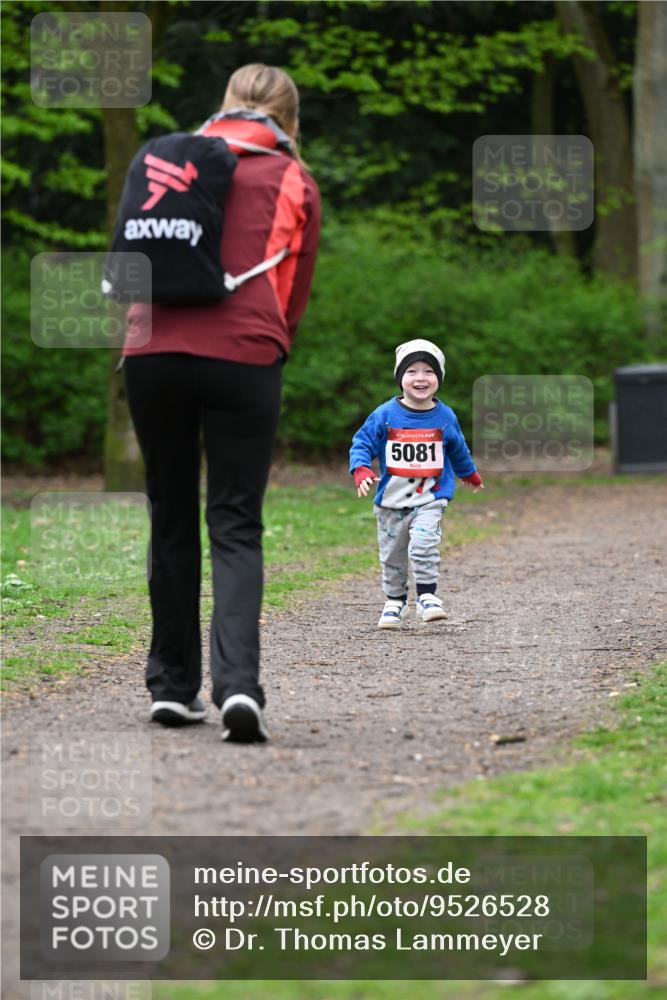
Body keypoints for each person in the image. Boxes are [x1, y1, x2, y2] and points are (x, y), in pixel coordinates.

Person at [122, 64, 321, 741]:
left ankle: (171, 688)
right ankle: (238, 688)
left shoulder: (165, 162)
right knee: (235, 522)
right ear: (290, 121)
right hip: (244, 356)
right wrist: (269, 348)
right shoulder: (292, 177)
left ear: (222, 107)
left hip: (151, 353)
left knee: (169, 514)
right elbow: (292, 292)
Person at [349, 339, 483, 629]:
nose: (420, 378)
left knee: (424, 544)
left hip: (430, 498)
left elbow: (458, 448)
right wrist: (360, 469)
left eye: (428, 372)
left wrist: (469, 473)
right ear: (400, 378)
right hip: (391, 502)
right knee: (393, 556)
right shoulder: (385, 414)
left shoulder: (445, 417)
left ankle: (427, 597)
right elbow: (362, 442)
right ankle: (395, 602)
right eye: (412, 371)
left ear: (439, 378)